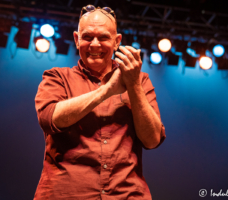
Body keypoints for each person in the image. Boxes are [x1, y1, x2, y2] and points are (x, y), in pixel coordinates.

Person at [34, 5, 165, 200]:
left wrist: (134, 85)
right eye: (87, 37)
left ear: (116, 41)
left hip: (127, 194)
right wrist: (106, 91)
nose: (95, 45)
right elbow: (49, 119)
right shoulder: (57, 77)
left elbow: (153, 139)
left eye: (103, 37)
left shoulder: (141, 81)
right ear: (77, 40)